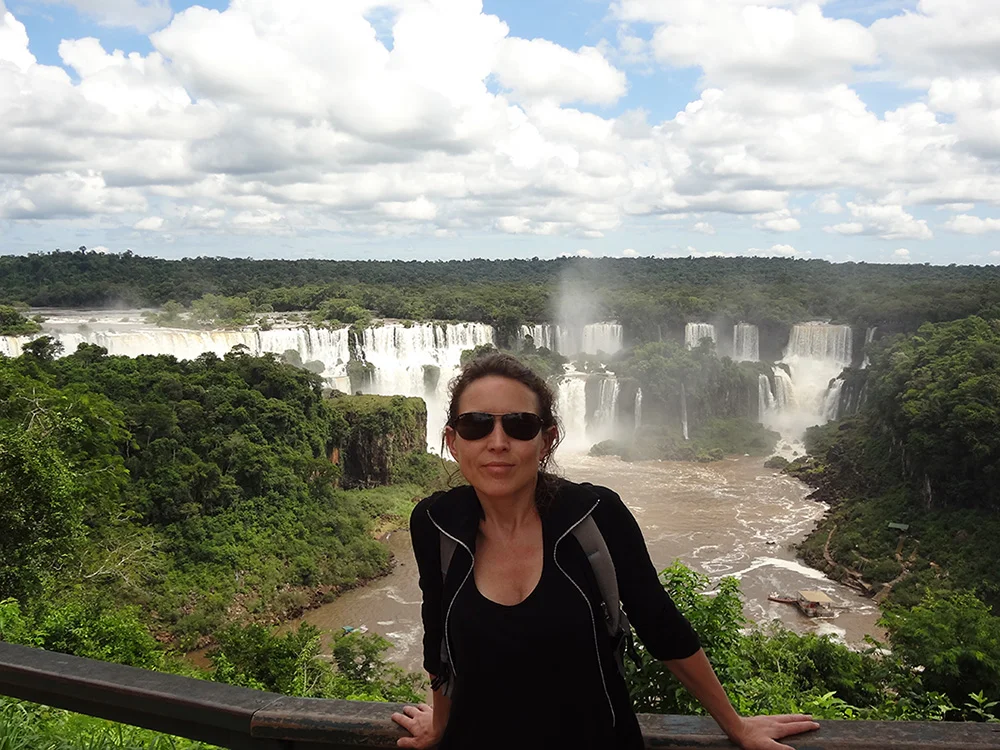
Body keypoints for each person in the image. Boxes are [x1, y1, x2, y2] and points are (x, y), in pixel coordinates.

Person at [391, 352, 820, 750]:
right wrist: (441, 724)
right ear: (452, 440)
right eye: (476, 425)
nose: (498, 441)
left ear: (547, 440)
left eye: (520, 425)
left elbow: (661, 626)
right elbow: (438, 639)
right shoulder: (434, 523)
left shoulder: (594, 516)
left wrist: (736, 725)